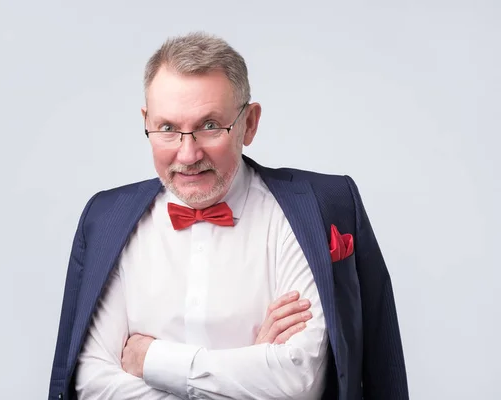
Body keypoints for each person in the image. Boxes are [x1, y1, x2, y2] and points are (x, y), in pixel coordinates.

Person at [48, 32, 409, 400]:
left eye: (209, 126)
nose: (188, 155)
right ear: (146, 121)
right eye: (168, 128)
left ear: (249, 124)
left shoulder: (317, 207)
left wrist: (153, 360)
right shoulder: (105, 218)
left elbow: (299, 380)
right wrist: (252, 367)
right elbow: (90, 382)